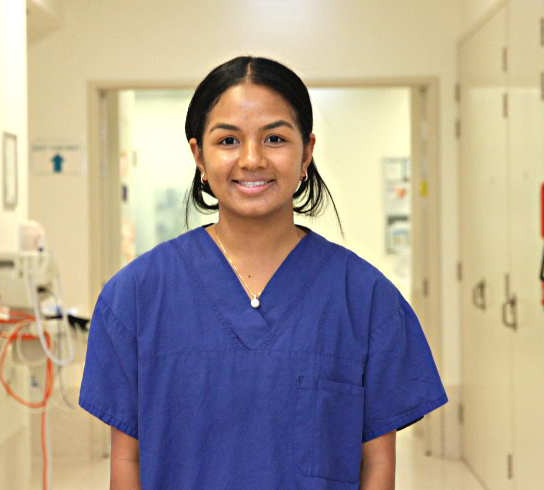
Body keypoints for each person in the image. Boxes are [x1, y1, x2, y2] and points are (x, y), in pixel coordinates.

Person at [79, 56, 447, 490]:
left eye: (274, 138)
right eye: (228, 141)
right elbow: (127, 463)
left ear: (307, 151)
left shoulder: (365, 300)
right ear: (198, 154)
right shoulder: (136, 297)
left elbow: (377, 467)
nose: (252, 160)